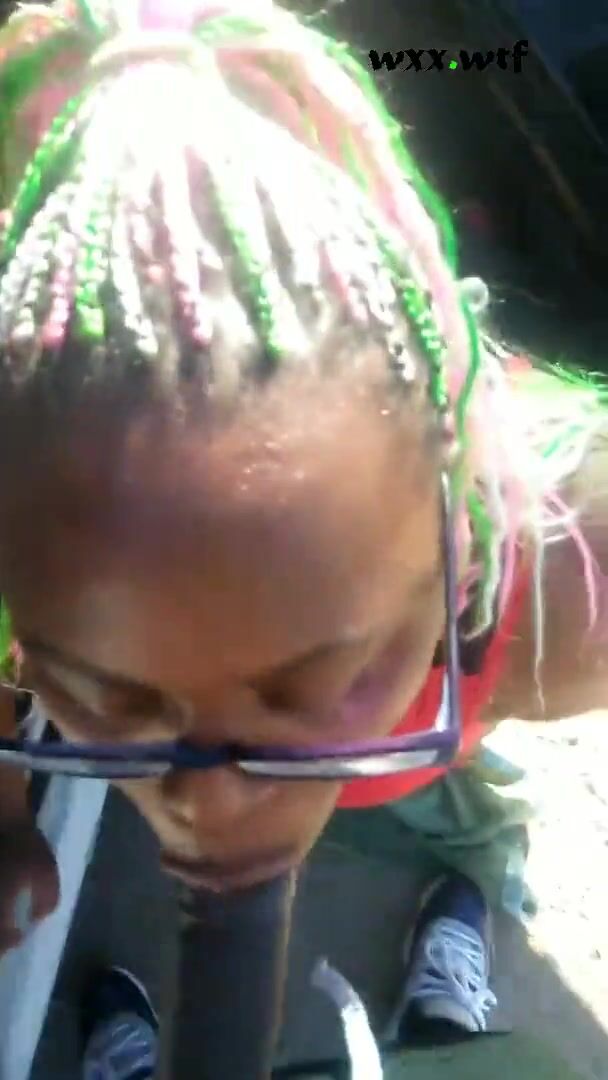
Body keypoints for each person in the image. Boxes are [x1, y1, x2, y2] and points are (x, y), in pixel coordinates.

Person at [0, 0, 607, 1075]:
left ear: (456, 533)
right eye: (107, 698)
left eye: (319, 683)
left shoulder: (572, 599)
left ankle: (461, 849)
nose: (211, 807)